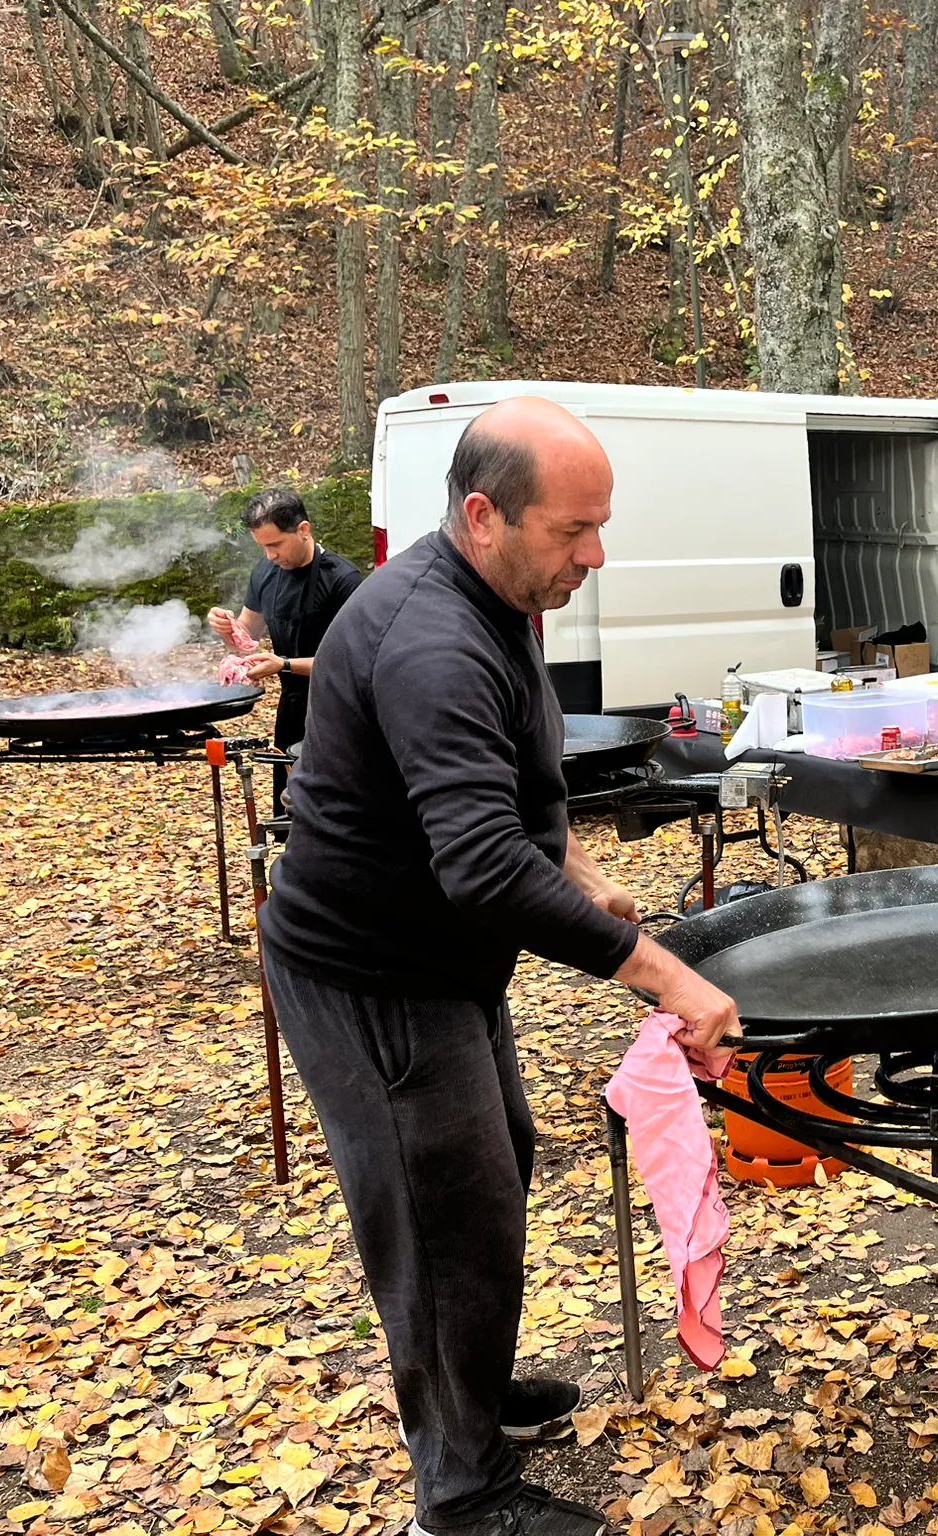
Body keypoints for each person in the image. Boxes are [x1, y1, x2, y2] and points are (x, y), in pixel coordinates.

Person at [258, 397, 741, 1536]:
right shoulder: (430, 634)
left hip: (442, 965)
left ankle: (471, 1395)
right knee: (441, 1217)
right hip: (368, 971)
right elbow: (478, 864)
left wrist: (572, 863)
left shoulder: (499, 596)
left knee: (491, 1169)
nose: (594, 555)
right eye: (572, 531)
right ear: (482, 515)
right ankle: (459, 1497)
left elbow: (516, 775)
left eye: (599, 525)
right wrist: (664, 974)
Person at [207, 488, 364, 805]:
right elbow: (245, 635)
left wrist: (285, 664)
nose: (270, 556)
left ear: (303, 530)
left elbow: (356, 662)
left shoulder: (343, 580)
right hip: (291, 709)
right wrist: (226, 628)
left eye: (275, 544)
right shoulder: (266, 572)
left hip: (340, 709)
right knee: (291, 806)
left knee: (334, 806)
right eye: (263, 547)